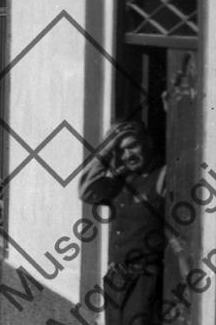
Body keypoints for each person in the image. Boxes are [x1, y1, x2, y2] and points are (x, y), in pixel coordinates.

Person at [78, 120, 172, 325]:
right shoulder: (121, 180)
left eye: (133, 146)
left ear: (147, 142)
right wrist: (105, 151)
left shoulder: (163, 175)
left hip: (145, 279)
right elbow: (86, 191)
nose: (128, 154)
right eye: (121, 150)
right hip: (116, 279)